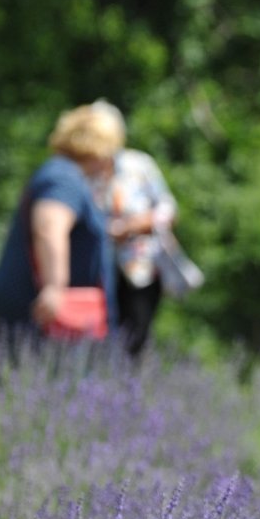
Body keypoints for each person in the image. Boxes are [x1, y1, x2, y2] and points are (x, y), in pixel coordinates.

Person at [0, 104, 123, 350]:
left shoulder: (60, 173)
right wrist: (54, 288)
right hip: (45, 317)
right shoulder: (63, 178)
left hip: (41, 314)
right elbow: (49, 227)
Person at [91, 100, 180, 357]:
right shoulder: (86, 171)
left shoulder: (139, 165)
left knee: (137, 338)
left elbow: (168, 208)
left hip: (140, 266)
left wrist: (132, 225)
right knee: (101, 339)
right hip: (97, 268)